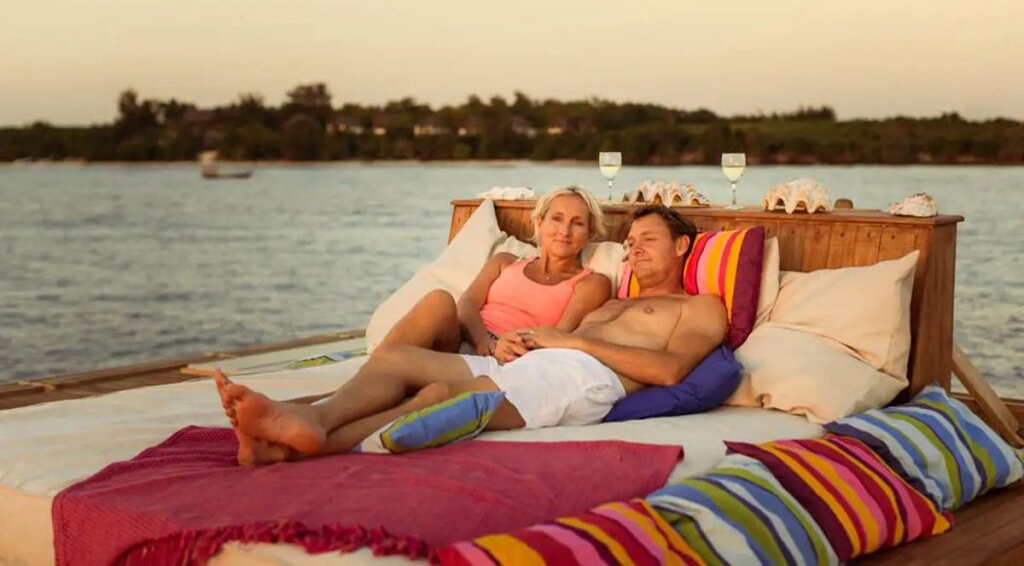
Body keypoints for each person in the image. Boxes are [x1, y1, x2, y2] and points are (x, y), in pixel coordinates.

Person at [215, 204, 727, 465]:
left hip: (582, 380)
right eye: (630, 242)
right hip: (531, 365)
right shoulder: (615, 298)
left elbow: (670, 370)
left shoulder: (700, 306)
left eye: (648, 240)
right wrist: (528, 341)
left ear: (682, 245)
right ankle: (310, 420)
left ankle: (300, 445)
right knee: (396, 359)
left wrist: (572, 341)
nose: (634, 250)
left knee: (440, 397)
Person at [377, 185, 611, 356]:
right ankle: (376, 369)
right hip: (465, 342)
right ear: (539, 223)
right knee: (439, 301)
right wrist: (484, 344)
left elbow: (559, 336)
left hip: (510, 356)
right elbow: (466, 303)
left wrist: (503, 346)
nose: (564, 230)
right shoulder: (505, 261)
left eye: (577, 223)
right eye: (557, 219)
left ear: (590, 234)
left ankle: (382, 372)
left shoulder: (590, 283)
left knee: (399, 361)